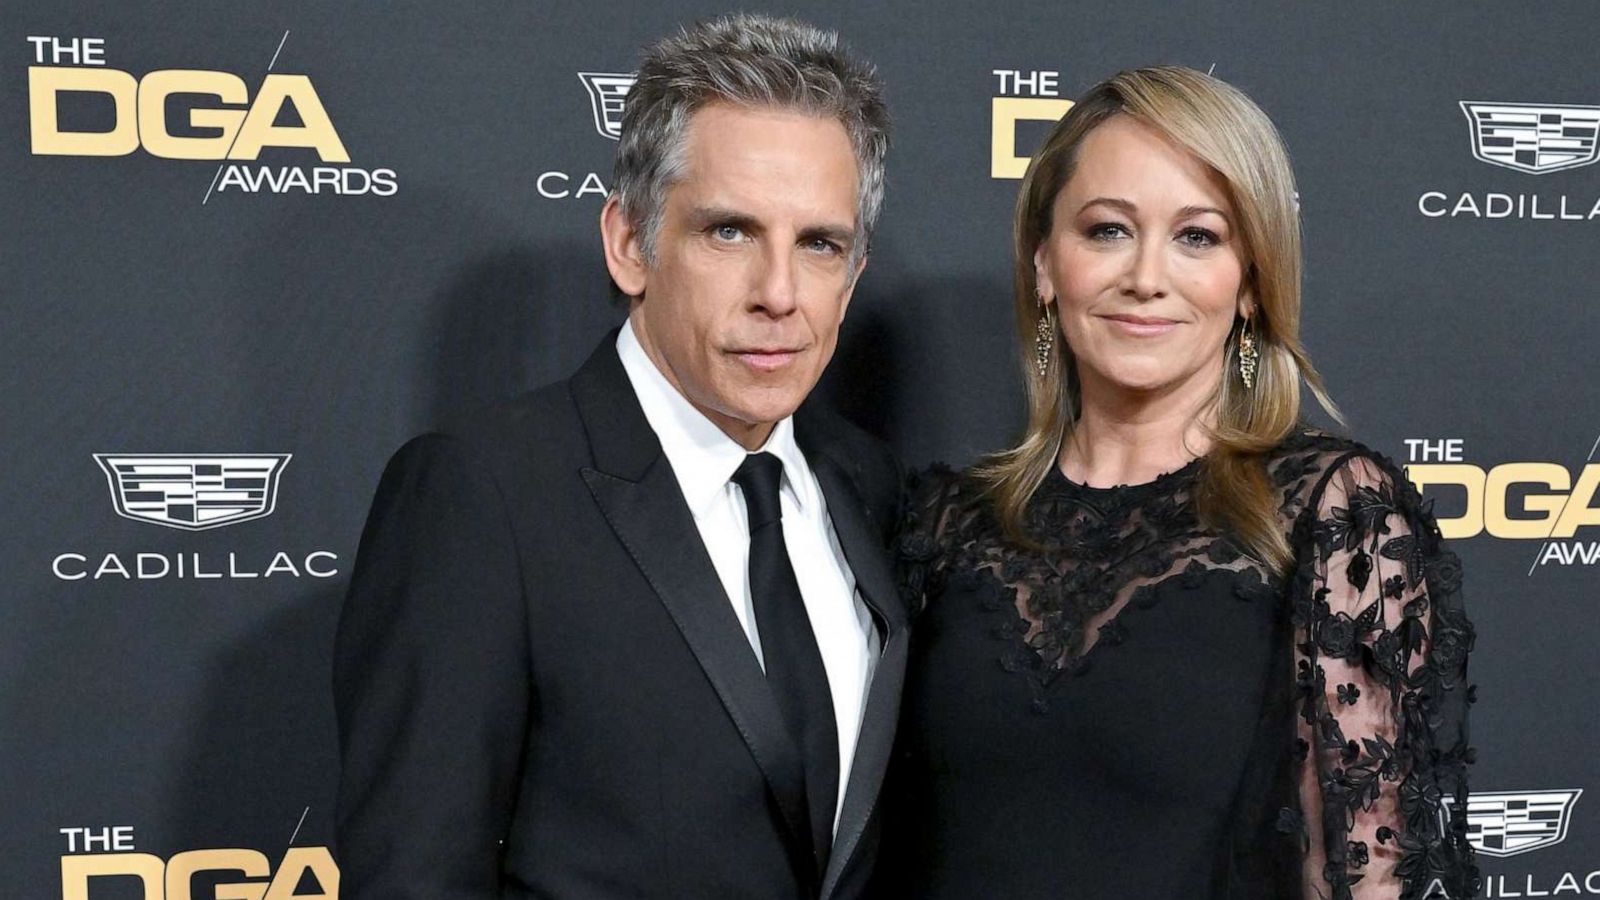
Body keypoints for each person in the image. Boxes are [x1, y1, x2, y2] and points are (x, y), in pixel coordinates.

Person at [332, 15, 905, 899]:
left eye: (818, 245)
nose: (779, 295)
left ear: (854, 272)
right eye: (729, 233)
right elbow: (414, 872)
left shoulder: (870, 486)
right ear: (631, 243)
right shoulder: (481, 493)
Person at [878, 66, 1479, 899]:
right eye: (1107, 231)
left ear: (1252, 283)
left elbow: (1366, 878)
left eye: (1197, 236)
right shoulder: (945, 520)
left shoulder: (1329, 513)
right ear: (1046, 264)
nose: (1146, 277)